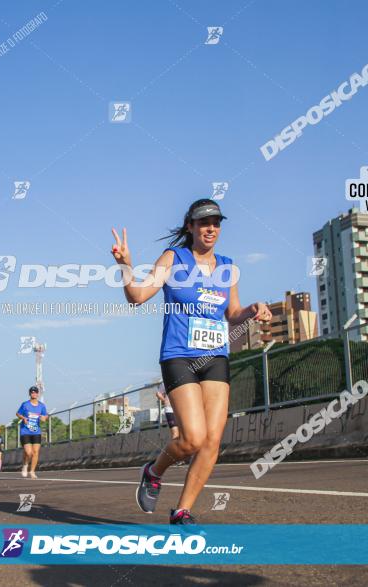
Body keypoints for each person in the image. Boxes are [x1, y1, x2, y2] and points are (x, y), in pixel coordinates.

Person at [110, 199, 270, 525]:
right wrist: (126, 264)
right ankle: (154, 471)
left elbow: (232, 313)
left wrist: (252, 309)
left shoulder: (228, 267)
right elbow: (137, 297)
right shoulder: (174, 258)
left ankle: (182, 511)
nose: (211, 228)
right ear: (190, 227)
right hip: (179, 355)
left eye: (216, 223)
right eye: (203, 223)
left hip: (215, 357)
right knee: (192, 438)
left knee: (212, 441)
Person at [16, 386, 48, 479]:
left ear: (38, 394)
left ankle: (32, 471)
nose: (34, 394)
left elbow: (45, 415)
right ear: (29, 394)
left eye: (35, 392)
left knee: (35, 452)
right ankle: (25, 465)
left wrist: (44, 418)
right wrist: (23, 418)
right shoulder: (25, 404)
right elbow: (18, 413)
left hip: (36, 432)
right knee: (29, 453)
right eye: (32, 392)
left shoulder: (41, 405)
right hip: (25, 431)